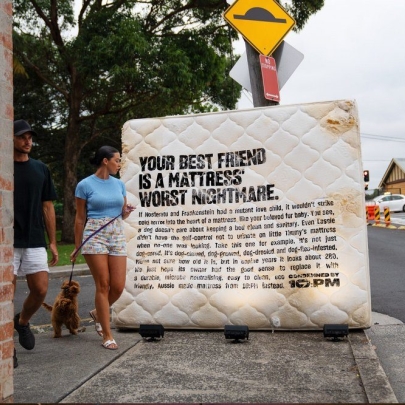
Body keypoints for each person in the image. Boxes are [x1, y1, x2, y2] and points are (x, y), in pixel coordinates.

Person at [70, 145, 134, 350]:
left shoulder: (119, 184)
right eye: (117, 160)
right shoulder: (84, 185)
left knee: (118, 286)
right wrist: (77, 244)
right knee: (103, 284)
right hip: (94, 235)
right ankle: (107, 334)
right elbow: (80, 218)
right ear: (105, 161)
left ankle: (99, 312)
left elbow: (122, 212)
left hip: (116, 233)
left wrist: (126, 211)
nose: (119, 164)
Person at [13, 119, 59, 362]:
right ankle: (6, 350)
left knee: (40, 290)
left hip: (34, 238)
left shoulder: (41, 168)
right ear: (9, 138)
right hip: (6, 241)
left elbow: (48, 206)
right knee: (4, 295)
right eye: (22, 136)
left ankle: (21, 322)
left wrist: (52, 241)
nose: (28, 141)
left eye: (30, 137)